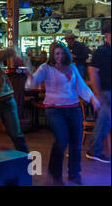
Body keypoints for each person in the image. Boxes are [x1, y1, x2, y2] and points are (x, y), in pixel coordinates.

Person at [27, 41, 100, 185]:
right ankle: (55, 175)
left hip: (73, 108)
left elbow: (81, 86)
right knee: (62, 139)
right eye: (56, 54)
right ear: (52, 55)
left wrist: (92, 98)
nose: (59, 56)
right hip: (54, 109)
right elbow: (33, 83)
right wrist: (28, 73)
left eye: (61, 53)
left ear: (66, 53)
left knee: (76, 143)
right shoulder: (46, 68)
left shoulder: (72, 67)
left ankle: (74, 174)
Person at [86, 25, 111, 163]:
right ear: (107, 35)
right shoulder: (101, 51)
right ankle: (94, 151)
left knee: (105, 122)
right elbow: (92, 71)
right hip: (106, 92)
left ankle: (96, 150)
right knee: (104, 122)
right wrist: (97, 93)